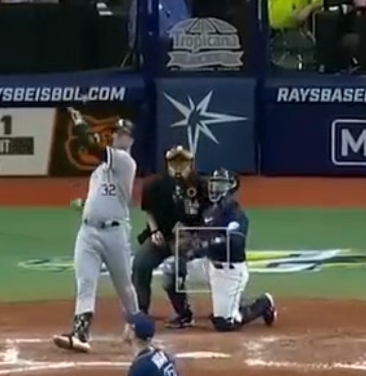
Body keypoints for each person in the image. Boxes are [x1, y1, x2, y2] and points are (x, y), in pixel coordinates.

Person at [51, 108, 142, 354]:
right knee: (86, 281)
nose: (118, 136)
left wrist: (80, 124)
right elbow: (101, 197)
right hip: (88, 232)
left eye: (123, 134)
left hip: (115, 233)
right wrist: (85, 206)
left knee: (124, 286)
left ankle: (137, 325)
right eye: (116, 133)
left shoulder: (125, 162)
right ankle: (80, 333)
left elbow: (91, 146)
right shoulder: (98, 172)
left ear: (131, 139)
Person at [160, 168, 277, 332]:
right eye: (214, 183)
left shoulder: (236, 215)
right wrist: (191, 249)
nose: (215, 188)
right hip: (208, 266)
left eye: (221, 184)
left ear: (231, 187)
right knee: (171, 268)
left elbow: (235, 243)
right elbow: (202, 239)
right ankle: (184, 315)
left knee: (225, 323)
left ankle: (263, 303)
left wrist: (207, 244)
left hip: (230, 272)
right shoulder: (210, 212)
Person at [132, 145, 209, 324]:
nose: (179, 165)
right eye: (175, 161)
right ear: (167, 163)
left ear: (190, 163)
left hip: (189, 240)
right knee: (140, 265)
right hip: (163, 237)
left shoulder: (201, 185)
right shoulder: (154, 185)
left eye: (183, 161)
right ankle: (141, 309)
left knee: (175, 271)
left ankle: (183, 312)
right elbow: (149, 211)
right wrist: (154, 231)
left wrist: (193, 236)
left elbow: (208, 214)